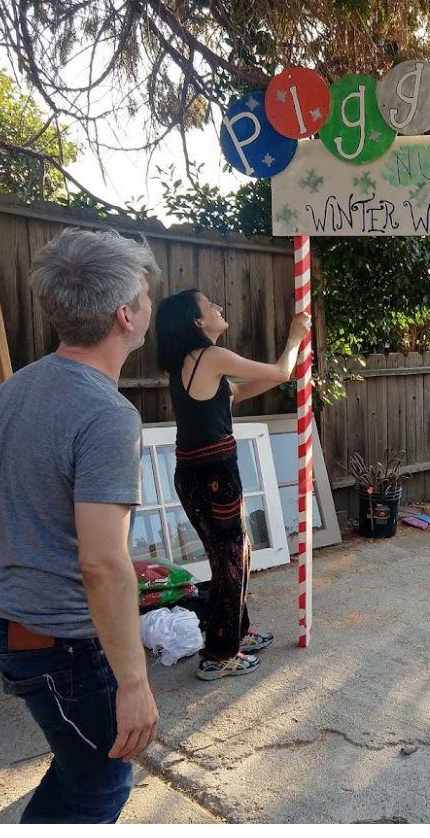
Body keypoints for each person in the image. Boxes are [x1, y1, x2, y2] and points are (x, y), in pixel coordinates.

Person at [0, 229, 160, 822]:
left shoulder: (12, 390)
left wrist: (16, 585)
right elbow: (103, 561)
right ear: (126, 315)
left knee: (79, 772)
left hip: (15, 629)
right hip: (65, 648)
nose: (148, 308)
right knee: (101, 787)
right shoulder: (107, 413)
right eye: (145, 298)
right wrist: (134, 683)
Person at [153, 288, 309, 680]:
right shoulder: (210, 356)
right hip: (213, 476)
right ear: (196, 321)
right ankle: (219, 654)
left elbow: (236, 393)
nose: (219, 307)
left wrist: (278, 374)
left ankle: (234, 630)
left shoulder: (192, 364)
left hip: (196, 475)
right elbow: (279, 372)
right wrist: (294, 338)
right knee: (231, 560)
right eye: (210, 305)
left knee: (234, 556)